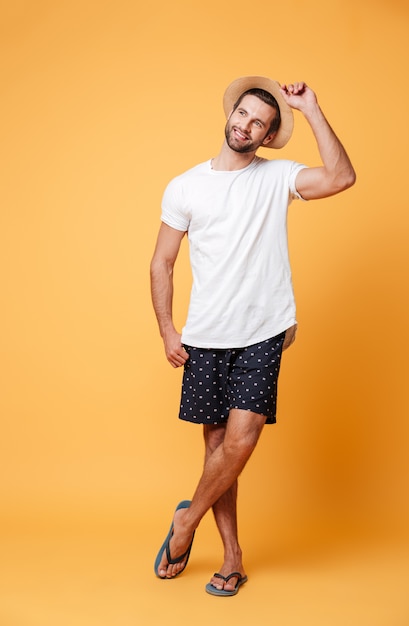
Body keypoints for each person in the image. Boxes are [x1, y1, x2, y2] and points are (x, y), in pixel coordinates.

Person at [150, 75, 355, 596]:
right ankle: (233, 557)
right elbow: (162, 263)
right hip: (204, 336)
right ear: (230, 114)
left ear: (267, 135)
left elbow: (341, 176)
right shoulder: (185, 186)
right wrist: (169, 330)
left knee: (239, 443)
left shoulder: (277, 177)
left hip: (262, 331)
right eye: (243, 114)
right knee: (218, 448)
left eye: (259, 123)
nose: (246, 125)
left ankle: (184, 524)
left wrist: (309, 109)